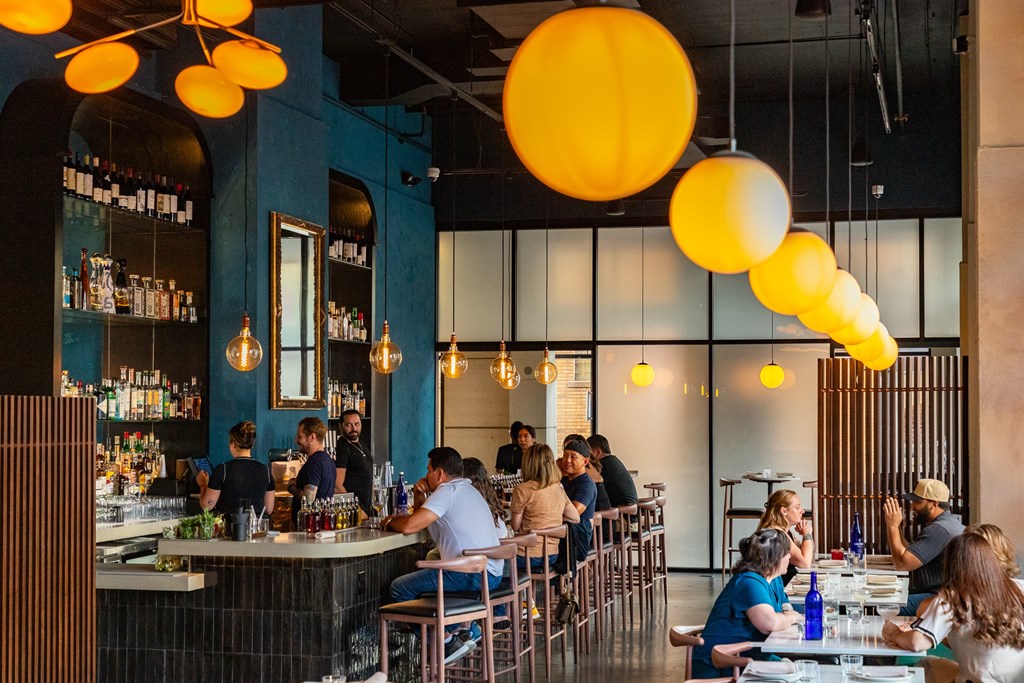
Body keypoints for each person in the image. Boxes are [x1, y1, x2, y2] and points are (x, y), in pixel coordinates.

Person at [382, 447, 503, 663]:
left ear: (439, 473)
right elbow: (422, 520)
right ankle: (460, 634)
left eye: (428, 469)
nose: (425, 474)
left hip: (469, 575)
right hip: (489, 574)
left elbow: (410, 526)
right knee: (425, 587)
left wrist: (390, 522)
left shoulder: (447, 492)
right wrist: (420, 497)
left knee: (399, 588)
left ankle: (446, 643)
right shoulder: (467, 489)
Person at [882, 533, 1024, 683]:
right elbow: (977, 642)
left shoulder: (953, 597)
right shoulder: (1018, 587)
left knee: (925, 665)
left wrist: (894, 633)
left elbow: (917, 643)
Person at [692, 528, 802, 678]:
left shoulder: (774, 579)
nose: (789, 556)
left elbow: (784, 604)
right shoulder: (749, 582)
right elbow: (770, 624)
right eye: (786, 553)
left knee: (800, 668)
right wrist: (792, 618)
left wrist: (790, 614)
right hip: (722, 665)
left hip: (747, 657)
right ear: (775, 558)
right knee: (800, 672)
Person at [883, 478, 965, 615]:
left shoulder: (940, 529)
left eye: (918, 501)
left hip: (939, 598)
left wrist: (892, 526)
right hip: (941, 595)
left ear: (934, 504)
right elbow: (911, 553)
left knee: (884, 606)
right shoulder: (947, 523)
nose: (913, 506)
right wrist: (897, 529)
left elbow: (903, 564)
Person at [510, 444, 580, 570]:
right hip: (553, 554)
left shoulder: (522, 490)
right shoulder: (558, 488)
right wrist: (553, 517)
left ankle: (522, 589)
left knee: (497, 562)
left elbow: (515, 526)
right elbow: (575, 518)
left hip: (525, 555)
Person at [197, 420, 275, 516]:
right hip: (257, 527)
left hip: (231, 526)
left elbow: (207, 506)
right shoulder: (265, 471)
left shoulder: (223, 470)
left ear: (233, 444)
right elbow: (269, 509)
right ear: (252, 445)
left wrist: (203, 484)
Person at [756, 489, 814, 586]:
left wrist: (806, 536)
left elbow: (810, 555)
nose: (802, 511)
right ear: (784, 511)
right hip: (780, 589)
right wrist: (806, 534)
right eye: (797, 507)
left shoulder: (785, 532)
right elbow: (805, 564)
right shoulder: (777, 534)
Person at [288, 417, 336, 528]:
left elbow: (308, 499)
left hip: (310, 527)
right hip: (321, 524)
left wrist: (291, 487)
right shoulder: (328, 460)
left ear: (312, 437)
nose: (296, 440)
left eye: (300, 437)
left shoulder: (315, 463)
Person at [334, 409, 373, 515]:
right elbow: (337, 484)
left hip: (367, 507)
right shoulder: (342, 447)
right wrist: (356, 510)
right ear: (340, 426)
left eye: (356, 424)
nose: (353, 428)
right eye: (348, 425)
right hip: (355, 511)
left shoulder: (362, 445)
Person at [561, 438, 598, 550]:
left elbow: (573, 513)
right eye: (565, 455)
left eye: (573, 457)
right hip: (562, 535)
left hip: (576, 542)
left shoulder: (586, 485)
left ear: (585, 462)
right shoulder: (564, 481)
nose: (567, 460)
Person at [462, 457, 509, 540]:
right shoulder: (491, 504)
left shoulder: (461, 503)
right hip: (497, 550)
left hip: (469, 552)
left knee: (433, 553)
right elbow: (504, 538)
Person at [586, 434, 638, 508]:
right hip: (630, 511)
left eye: (589, 453)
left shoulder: (603, 465)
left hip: (621, 515)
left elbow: (593, 489)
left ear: (597, 452)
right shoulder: (613, 461)